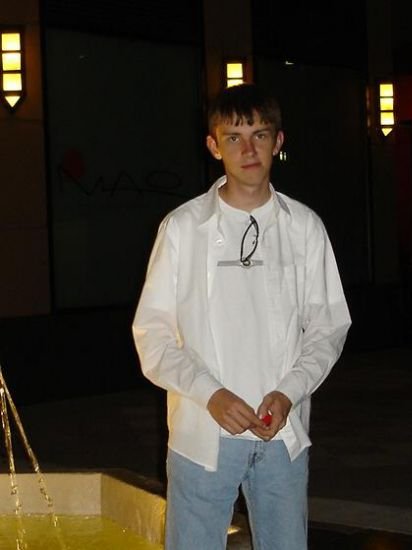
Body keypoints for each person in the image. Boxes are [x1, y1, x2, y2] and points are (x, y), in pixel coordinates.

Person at [132, 83, 351, 550]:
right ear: (214, 146)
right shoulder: (183, 228)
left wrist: (289, 392)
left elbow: (329, 325)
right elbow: (152, 335)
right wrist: (210, 394)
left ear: (278, 141)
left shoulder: (304, 227)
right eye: (234, 137)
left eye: (260, 135)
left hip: (281, 434)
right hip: (202, 434)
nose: (248, 150)